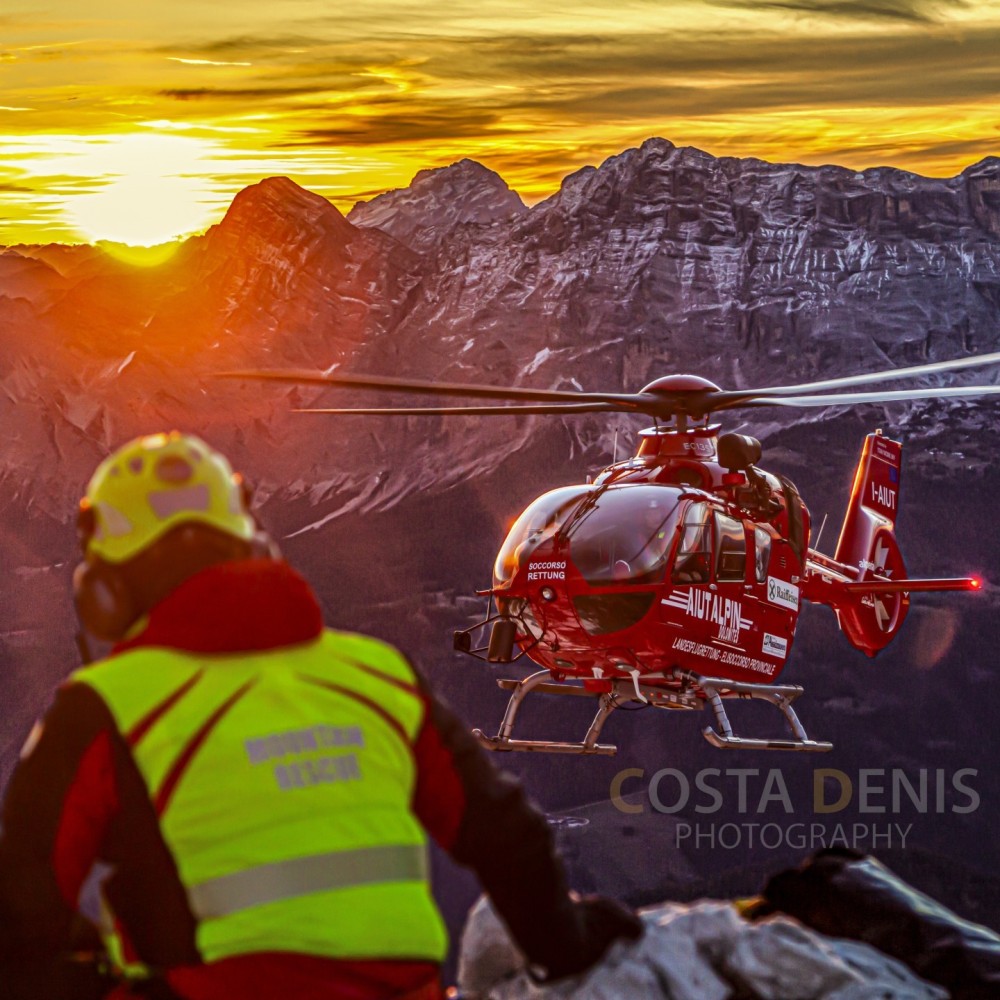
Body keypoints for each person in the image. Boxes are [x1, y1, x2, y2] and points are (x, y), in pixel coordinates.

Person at [0, 432, 641, 1000]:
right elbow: (509, 836)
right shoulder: (376, 675)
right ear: (258, 548)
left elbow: (20, 914)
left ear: (106, 592)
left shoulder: (105, 707)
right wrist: (566, 945)